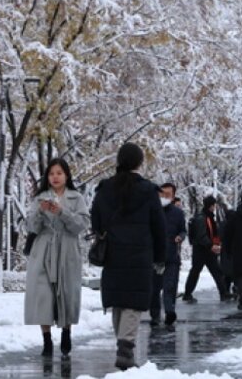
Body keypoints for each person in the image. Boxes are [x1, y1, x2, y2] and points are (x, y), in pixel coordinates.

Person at [90, 142, 165, 370]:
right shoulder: (148, 191)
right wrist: (161, 256)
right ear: (139, 163)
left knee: (119, 301)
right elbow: (159, 226)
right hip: (140, 254)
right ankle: (125, 348)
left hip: (113, 253)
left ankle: (123, 346)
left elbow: (96, 221)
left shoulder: (104, 189)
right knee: (133, 302)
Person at [23, 158, 89, 358]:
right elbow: (31, 227)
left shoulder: (76, 198)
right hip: (43, 249)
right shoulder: (40, 198)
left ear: (66, 175)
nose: (55, 177)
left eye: (59, 173)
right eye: (51, 173)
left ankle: (66, 332)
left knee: (67, 292)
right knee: (43, 294)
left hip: (67, 249)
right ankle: (46, 339)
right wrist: (40, 212)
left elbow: (81, 225)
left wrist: (62, 212)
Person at [149, 183, 185, 328]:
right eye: (161, 193)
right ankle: (155, 315)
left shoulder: (178, 213)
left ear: (173, 196)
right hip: (154, 257)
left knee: (169, 286)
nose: (164, 196)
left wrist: (180, 237)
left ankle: (170, 312)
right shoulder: (151, 211)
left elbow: (183, 230)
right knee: (154, 289)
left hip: (171, 256)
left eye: (168, 194)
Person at [182, 196, 228, 303]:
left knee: (216, 271)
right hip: (202, 250)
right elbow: (201, 235)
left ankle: (224, 293)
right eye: (214, 205)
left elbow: (213, 233)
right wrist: (211, 245)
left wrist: (215, 244)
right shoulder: (202, 218)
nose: (215, 207)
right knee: (196, 272)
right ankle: (187, 294)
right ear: (210, 206)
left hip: (207, 250)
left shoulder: (209, 217)